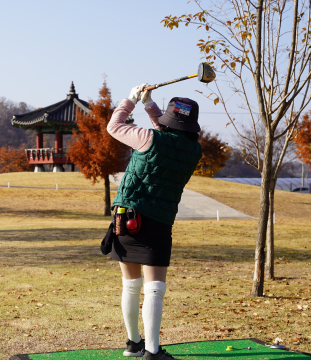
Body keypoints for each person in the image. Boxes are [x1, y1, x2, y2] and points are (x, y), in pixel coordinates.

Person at [106, 84, 202, 360]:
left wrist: (131, 100)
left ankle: (134, 344)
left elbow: (114, 126)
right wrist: (150, 105)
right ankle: (152, 350)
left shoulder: (148, 138)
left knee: (131, 284)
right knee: (155, 288)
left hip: (126, 218)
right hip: (159, 222)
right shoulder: (194, 151)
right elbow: (166, 132)